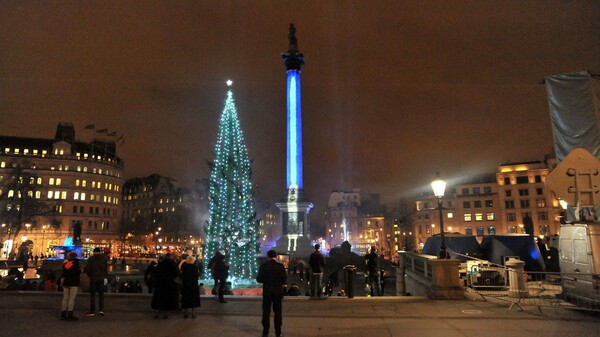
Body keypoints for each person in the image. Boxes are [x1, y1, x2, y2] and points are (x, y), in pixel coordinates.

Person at [257, 249, 287, 337]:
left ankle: (265, 332)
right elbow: (284, 279)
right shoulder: (280, 266)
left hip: (267, 292)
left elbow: (259, 279)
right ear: (276, 256)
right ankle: (278, 332)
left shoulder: (264, 266)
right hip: (277, 292)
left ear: (268, 256)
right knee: (277, 312)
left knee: (266, 312)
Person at [151, 253, 180, 319]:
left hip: (160, 284)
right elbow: (177, 273)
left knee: (158, 299)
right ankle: (166, 314)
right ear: (171, 258)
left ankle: (156, 314)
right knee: (167, 300)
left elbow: (155, 273)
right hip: (169, 284)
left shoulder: (160, 264)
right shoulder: (173, 265)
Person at [84, 247, 108, 317]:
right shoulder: (104, 259)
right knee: (101, 295)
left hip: (93, 278)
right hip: (102, 278)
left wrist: (90, 276)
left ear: (94, 252)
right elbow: (106, 269)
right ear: (100, 252)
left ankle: (92, 311)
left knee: (92, 295)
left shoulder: (91, 259)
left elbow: (88, 269)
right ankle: (101, 310)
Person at [59, 252, 81, 320]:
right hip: (73, 282)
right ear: (75, 256)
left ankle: (63, 314)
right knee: (71, 299)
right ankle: (70, 314)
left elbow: (64, 272)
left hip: (66, 282)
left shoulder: (65, 263)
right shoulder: (76, 263)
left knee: (65, 298)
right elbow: (78, 272)